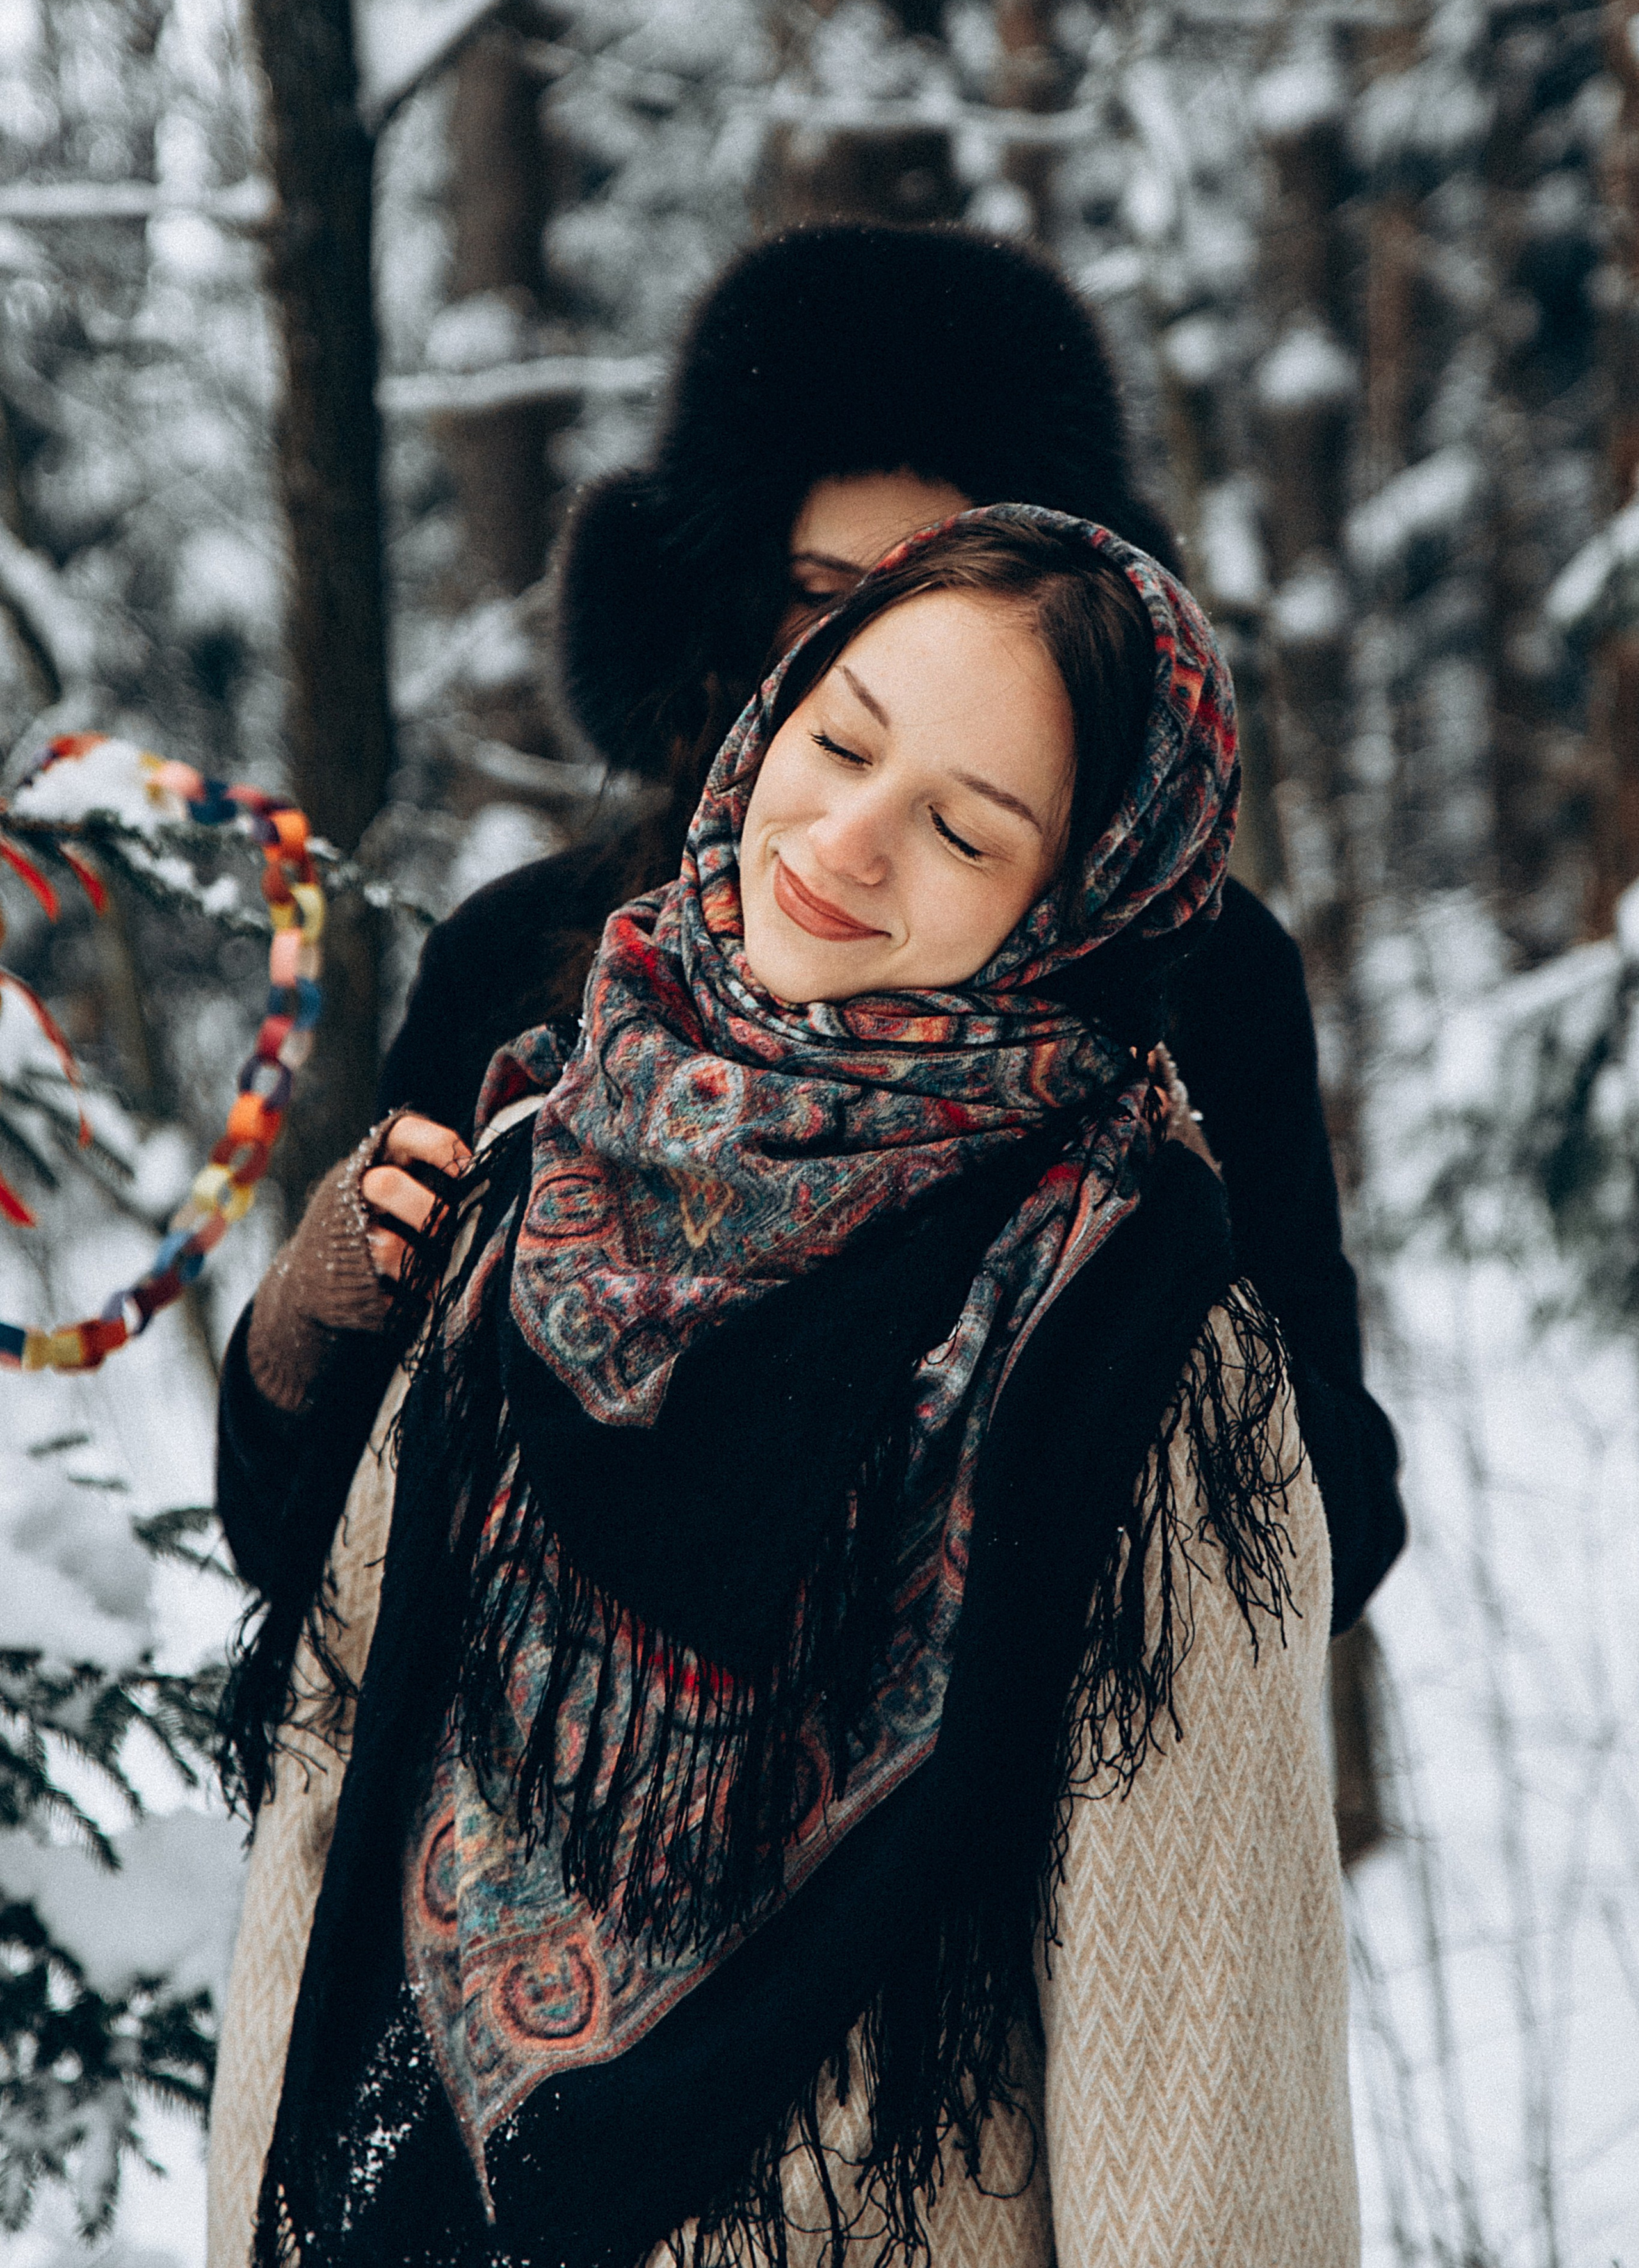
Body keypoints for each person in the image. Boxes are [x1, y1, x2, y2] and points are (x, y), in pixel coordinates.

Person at [209, 510, 1359, 2268]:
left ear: (1075, 910)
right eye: (839, 742)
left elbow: (1201, 2075)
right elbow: (322, 1810)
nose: (846, 838)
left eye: (965, 830)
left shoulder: (1139, 1347)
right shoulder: (534, 1172)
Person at [376, 223, 1403, 1637]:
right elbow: (316, 1547)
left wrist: (1165, 1295)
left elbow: (1335, 1546)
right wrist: (322, 1330)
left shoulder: (1196, 982)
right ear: (730, 601)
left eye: (938, 597)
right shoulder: (519, 958)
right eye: (823, 594)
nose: (870, 653)